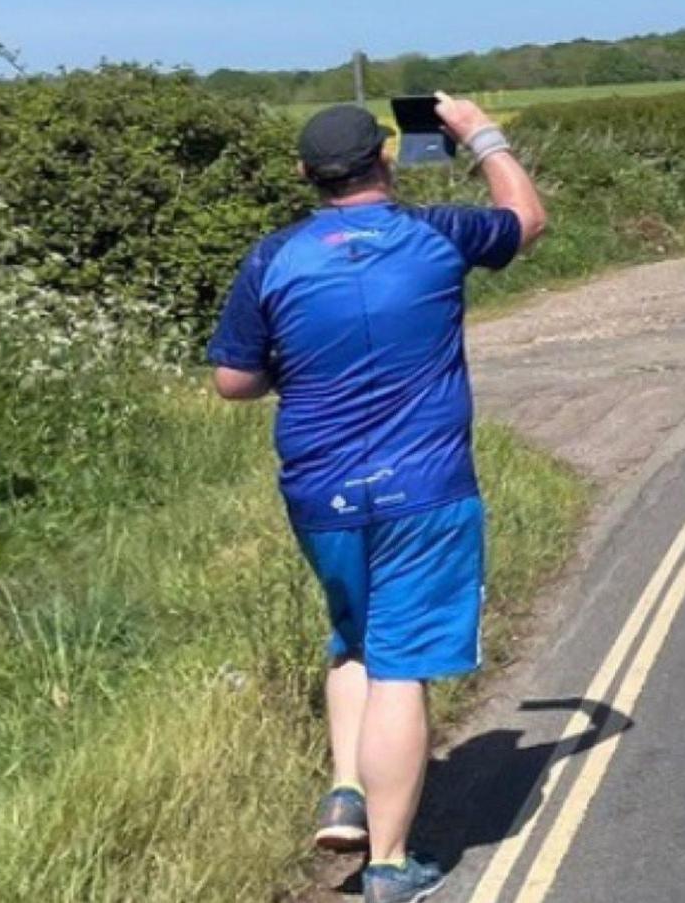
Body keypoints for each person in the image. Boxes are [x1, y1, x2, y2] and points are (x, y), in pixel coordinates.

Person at [209, 98, 547, 903]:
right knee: (402, 667)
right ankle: (390, 865)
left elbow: (233, 380)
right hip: (425, 489)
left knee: (352, 637)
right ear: (386, 161)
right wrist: (478, 131)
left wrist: (294, 368)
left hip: (320, 487)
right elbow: (526, 218)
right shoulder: (437, 232)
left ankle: (346, 789)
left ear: (305, 175)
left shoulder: (274, 258)